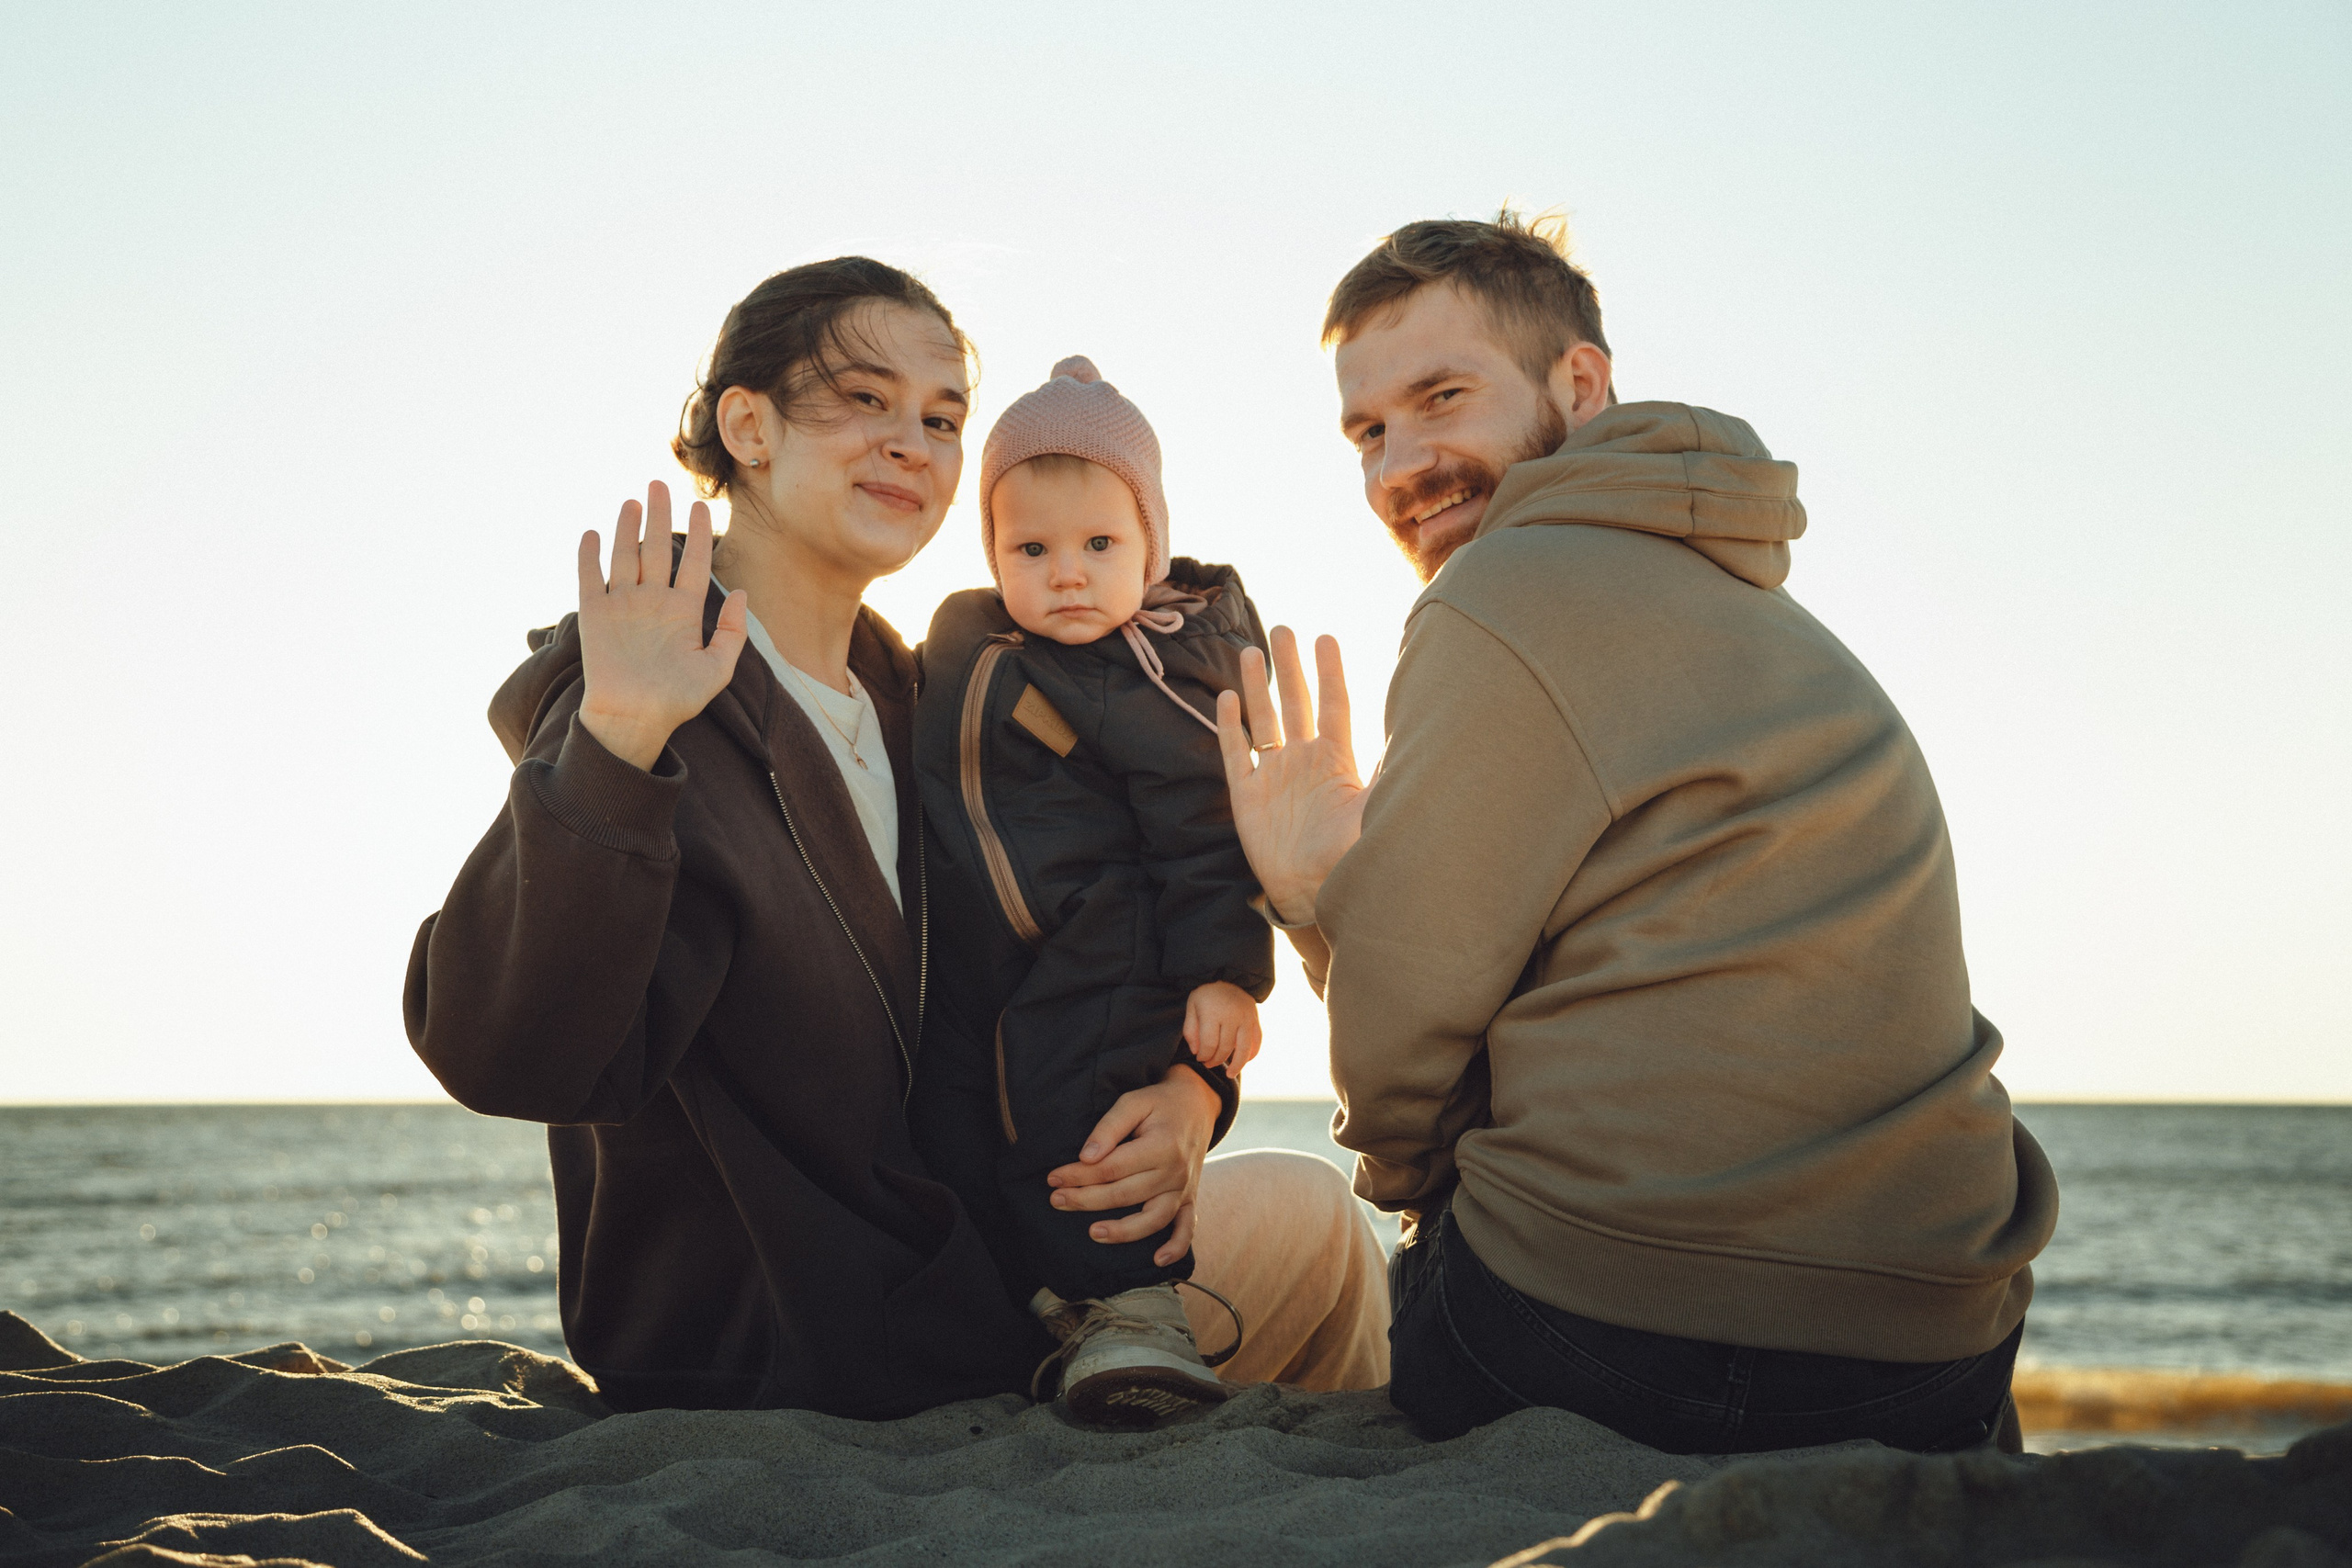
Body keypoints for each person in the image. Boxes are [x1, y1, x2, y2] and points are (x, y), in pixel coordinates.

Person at [403, 257, 1388, 1418]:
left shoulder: (933, 701)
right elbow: (506, 1055)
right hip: (789, 1341)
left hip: (982, 1260)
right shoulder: (647, 687)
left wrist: (1186, 1091)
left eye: (941, 417)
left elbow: (1086, 925)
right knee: (1318, 1236)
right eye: (863, 399)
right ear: (747, 425)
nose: (911, 443)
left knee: (1314, 1212)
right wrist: (617, 737)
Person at [1214, 211, 2059, 1454]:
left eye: (1442, 396)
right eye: (1368, 431)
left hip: (1621, 1348)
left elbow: (1401, 1059)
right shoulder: (1779, 623)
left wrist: (1308, 903)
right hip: (1943, 1361)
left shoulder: (1496, 593)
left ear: (1581, 383)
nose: (1399, 463)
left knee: (1437, 1231)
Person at [911, 356, 1274, 1427]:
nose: (1066, 574)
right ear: (991, 552)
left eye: (1099, 546)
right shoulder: (969, 638)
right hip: (989, 960)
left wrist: (1225, 973)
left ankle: (1135, 1312)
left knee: (1087, 1133)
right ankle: (1032, 1308)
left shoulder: (1151, 673)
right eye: (1031, 549)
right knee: (965, 1121)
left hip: (1114, 952)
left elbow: (1210, 832)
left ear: (1149, 548)